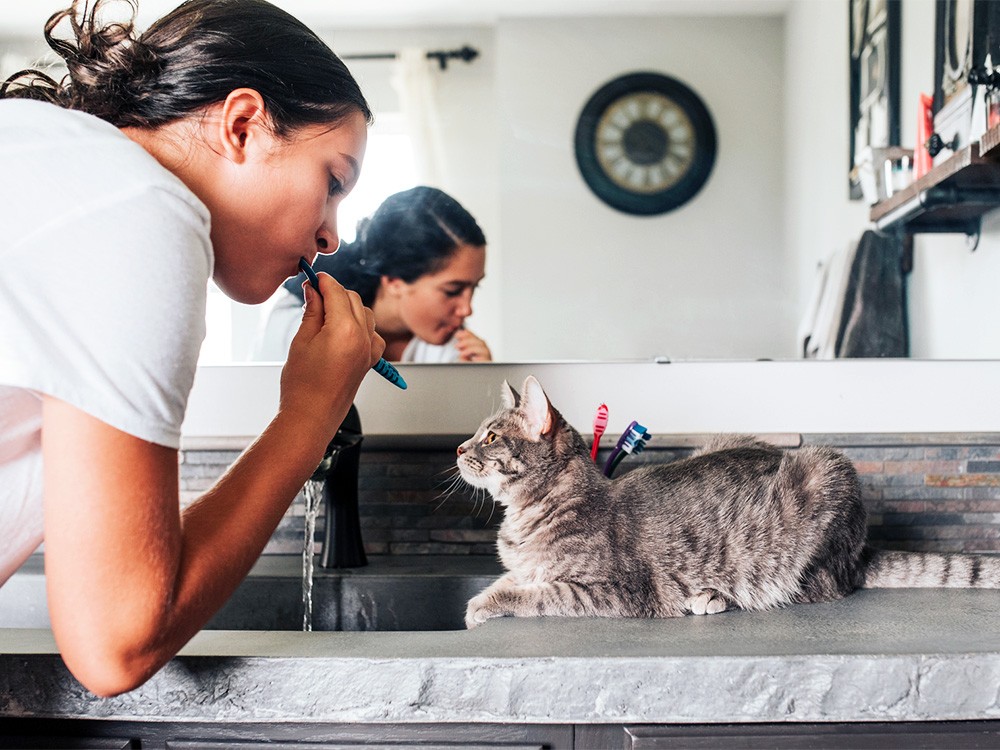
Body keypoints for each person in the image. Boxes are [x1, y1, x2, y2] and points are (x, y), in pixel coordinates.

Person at [0, 0, 384, 697]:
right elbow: (116, 641)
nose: (333, 236)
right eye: (332, 181)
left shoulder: (58, 168)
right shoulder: (141, 208)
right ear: (242, 125)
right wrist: (309, 417)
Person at [255, 186, 492, 363]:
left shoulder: (457, 348)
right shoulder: (297, 321)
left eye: (474, 288)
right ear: (394, 280)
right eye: (453, 291)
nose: (467, 309)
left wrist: (477, 386)